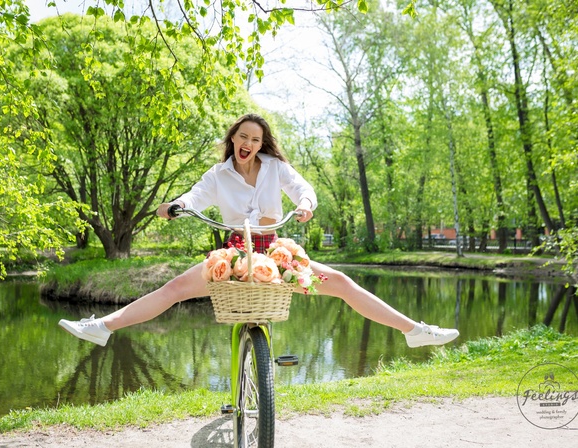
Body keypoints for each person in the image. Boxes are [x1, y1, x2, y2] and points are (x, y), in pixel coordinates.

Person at [59, 113, 459, 348]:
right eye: (243, 136)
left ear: (262, 143)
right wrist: (177, 206)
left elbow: (303, 188)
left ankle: (415, 331)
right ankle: (101, 327)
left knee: (340, 282)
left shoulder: (274, 167)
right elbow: (195, 197)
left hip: (277, 252)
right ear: (233, 139)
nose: (248, 143)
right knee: (173, 290)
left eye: (256, 138)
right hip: (234, 255)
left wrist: (305, 203)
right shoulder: (218, 175)